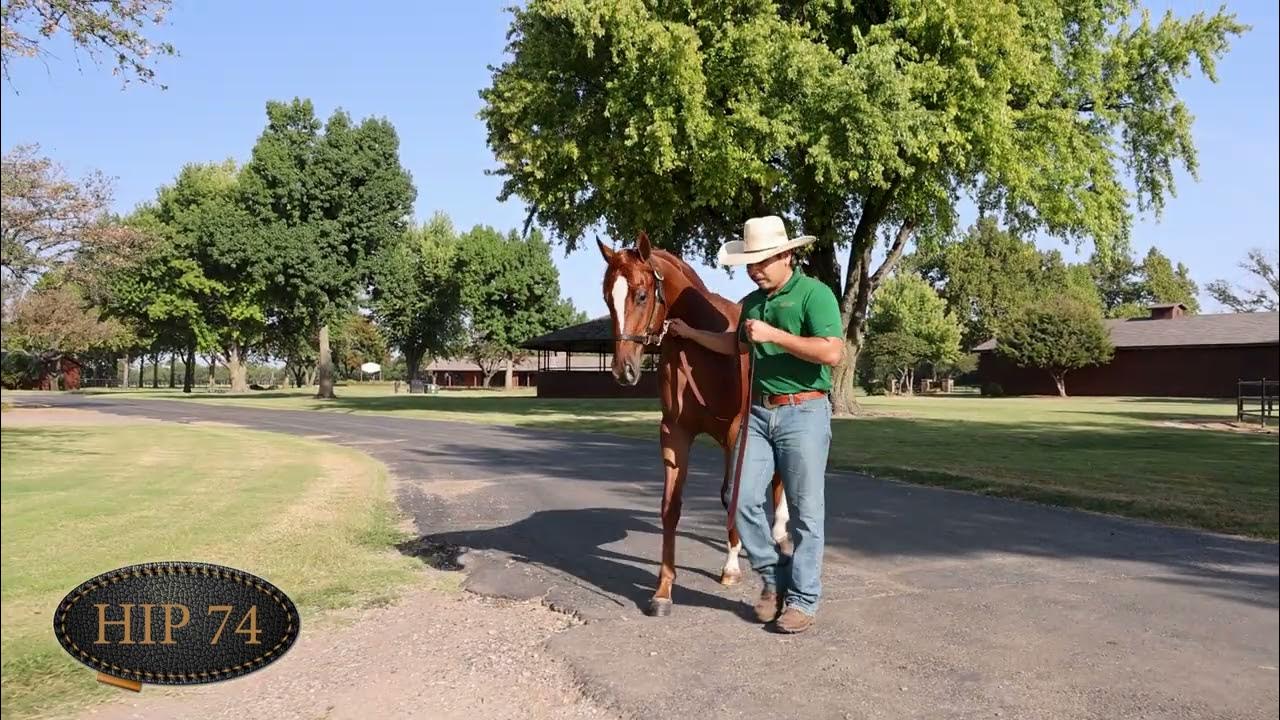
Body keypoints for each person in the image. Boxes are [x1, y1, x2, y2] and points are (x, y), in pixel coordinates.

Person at [666, 215, 843, 633]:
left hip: (804, 412)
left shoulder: (814, 295)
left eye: (762, 261)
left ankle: (802, 601)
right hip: (759, 415)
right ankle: (774, 577)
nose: (755, 269)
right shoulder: (752, 303)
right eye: (750, 262)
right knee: (739, 501)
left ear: (787, 255)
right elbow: (735, 344)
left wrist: (775, 336)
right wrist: (691, 333)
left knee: (805, 515)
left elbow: (832, 353)